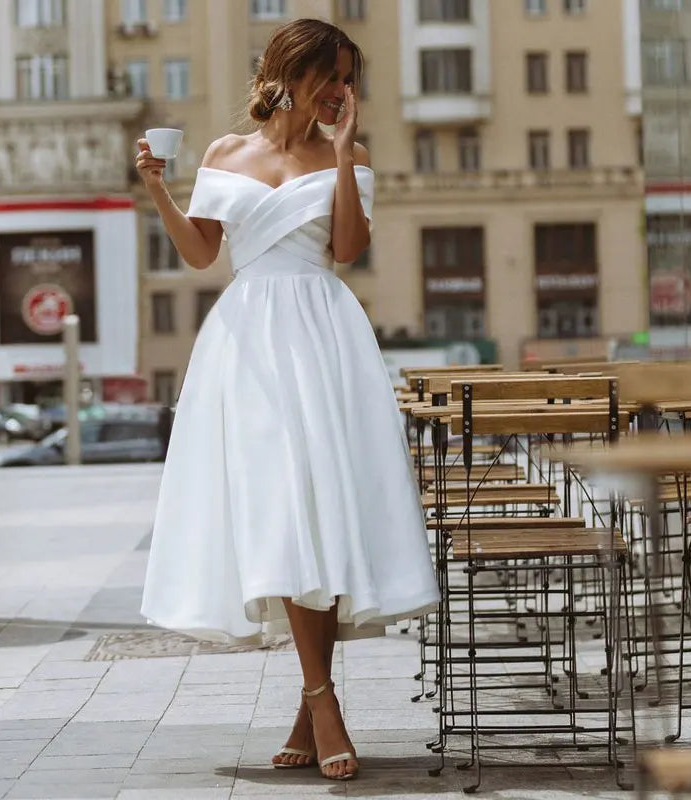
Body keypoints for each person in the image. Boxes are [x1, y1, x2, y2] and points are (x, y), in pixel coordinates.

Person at [137, 18, 440, 782]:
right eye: (330, 76)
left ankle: (314, 705)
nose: (341, 91)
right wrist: (159, 192)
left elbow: (348, 249)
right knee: (282, 507)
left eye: (348, 79)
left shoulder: (350, 155)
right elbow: (202, 252)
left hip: (323, 334)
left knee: (320, 511)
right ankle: (321, 701)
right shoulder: (223, 153)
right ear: (289, 72)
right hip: (248, 343)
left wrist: (340, 154)